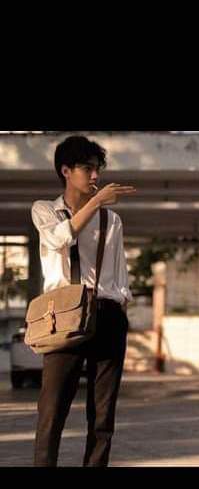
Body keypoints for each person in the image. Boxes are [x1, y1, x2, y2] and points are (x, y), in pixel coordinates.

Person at [31, 135, 137, 467]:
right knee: (51, 412)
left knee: (103, 417)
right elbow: (60, 238)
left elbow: (119, 272)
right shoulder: (45, 210)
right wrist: (96, 202)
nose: (95, 176)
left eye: (98, 169)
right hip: (64, 315)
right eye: (88, 168)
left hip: (107, 313)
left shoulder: (112, 220)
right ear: (66, 171)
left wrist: (121, 305)